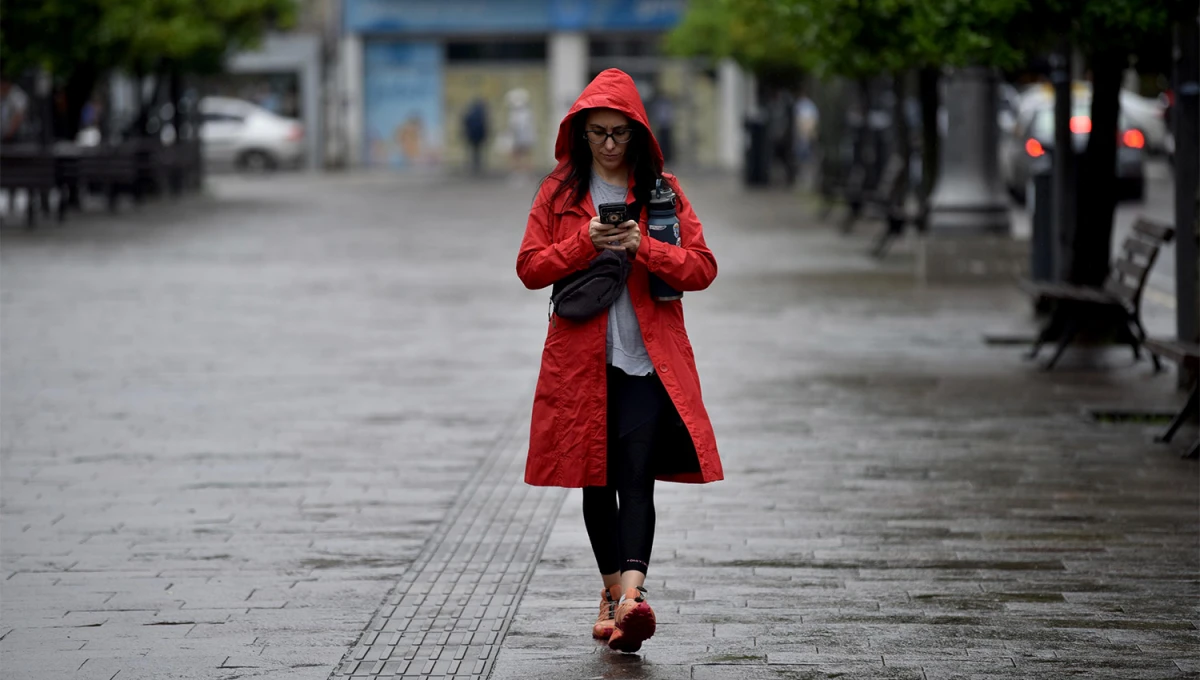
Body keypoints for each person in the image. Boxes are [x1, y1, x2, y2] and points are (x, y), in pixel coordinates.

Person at [515, 69, 723, 654]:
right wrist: (586, 242)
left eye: (619, 134)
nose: (608, 144)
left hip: (646, 362)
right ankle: (612, 594)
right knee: (594, 480)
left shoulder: (663, 191)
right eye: (598, 133)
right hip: (580, 362)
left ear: (638, 134)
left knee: (635, 480)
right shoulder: (558, 193)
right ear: (580, 133)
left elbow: (702, 268)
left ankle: (632, 599)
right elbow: (530, 268)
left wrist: (644, 246)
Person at [505, 88, 536, 178]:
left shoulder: (520, 114)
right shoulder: (526, 113)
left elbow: (518, 128)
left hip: (520, 139)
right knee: (524, 157)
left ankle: (521, 173)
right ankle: (522, 173)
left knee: (519, 157)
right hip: (523, 139)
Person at [462, 98, 489, 175]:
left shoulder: (470, 112)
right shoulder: (482, 113)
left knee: (472, 151)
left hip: (471, 135)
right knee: (479, 151)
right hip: (479, 136)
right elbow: (485, 125)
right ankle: (478, 165)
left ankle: (472, 164)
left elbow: (465, 122)